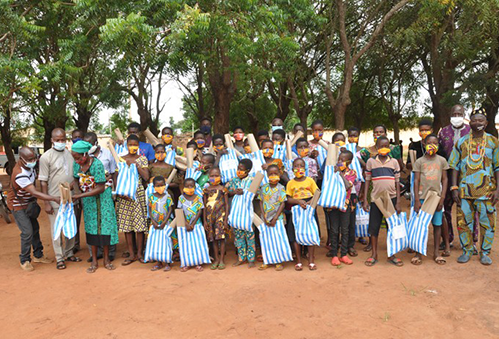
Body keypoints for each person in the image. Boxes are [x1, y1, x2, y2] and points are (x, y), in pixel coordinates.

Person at [449, 108, 499, 265]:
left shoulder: (493, 141)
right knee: (463, 223)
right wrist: (454, 188)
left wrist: (498, 189)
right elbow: (454, 167)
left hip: (487, 193)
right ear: (469, 123)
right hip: (464, 192)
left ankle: (485, 252)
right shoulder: (461, 142)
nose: (477, 123)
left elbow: (497, 167)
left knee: (488, 224)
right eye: (474, 120)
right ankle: (467, 250)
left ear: (486, 123)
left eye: (481, 120)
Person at [71, 141, 119, 273]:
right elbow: (75, 179)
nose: (77, 161)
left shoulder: (97, 164)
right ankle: (94, 260)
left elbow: (100, 188)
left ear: (86, 154)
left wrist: (80, 196)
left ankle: (106, 260)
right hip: (88, 199)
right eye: (75, 158)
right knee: (91, 227)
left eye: (79, 158)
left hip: (103, 198)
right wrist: (77, 193)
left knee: (104, 228)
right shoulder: (76, 164)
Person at [8, 147, 59, 271]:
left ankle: (38, 255)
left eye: (34, 158)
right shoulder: (19, 173)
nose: (33, 161)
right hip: (17, 205)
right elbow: (35, 192)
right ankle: (24, 259)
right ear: (21, 159)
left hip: (29, 204)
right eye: (30, 159)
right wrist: (52, 198)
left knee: (35, 229)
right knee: (27, 232)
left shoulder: (30, 167)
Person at [39, 128, 81, 270]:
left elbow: (74, 175)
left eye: (63, 139)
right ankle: (59, 257)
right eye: (58, 140)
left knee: (70, 226)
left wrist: (74, 189)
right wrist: (46, 202)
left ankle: (69, 253)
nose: (61, 142)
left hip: (69, 198)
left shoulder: (69, 154)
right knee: (57, 229)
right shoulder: (46, 157)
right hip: (55, 199)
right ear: (52, 140)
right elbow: (43, 182)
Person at [363, 136, 403, 267]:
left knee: (391, 227)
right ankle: (374, 254)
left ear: (390, 147)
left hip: (391, 199)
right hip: (376, 199)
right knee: (374, 227)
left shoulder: (394, 163)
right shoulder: (371, 162)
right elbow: (367, 181)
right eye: (381, 146)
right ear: (377, 147)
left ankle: (391, 254)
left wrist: (398, 201)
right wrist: (365, 200)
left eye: (386, 146)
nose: (383, 148)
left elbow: (397, 182)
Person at [412, 134, 450, 265]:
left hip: (436, 198)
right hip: (422, 197)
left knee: (437, 224)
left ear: (438, 145)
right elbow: (416, 181)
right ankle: (418, 253)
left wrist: (442, 198)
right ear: (424, 144)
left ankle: (436, 253)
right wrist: (416, 199)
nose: (431, 145)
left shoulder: (442, 160)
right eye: (429, 142)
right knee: (421, 225)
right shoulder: (419, 162)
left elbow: (445, 179)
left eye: (435, 143)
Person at [438, 104, 472, 247]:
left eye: (460, 114)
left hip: (467, 176)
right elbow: (439, 154)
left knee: (467, 209)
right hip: (446, 175)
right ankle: (447, 239)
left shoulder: (471, 131)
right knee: (445, 208)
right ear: (450, 115)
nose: (457, 117)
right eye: (454, 114)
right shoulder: (443, 132)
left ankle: (470, 242)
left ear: (464, 115)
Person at [84, 132, 118, 262]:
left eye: (90, 144)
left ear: (96, 143)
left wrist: (115, 190)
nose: (88, 147)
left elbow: (114, 173)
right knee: (94, 221)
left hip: (106, 191)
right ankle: (96, 252)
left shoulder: (107, 154)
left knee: (107, 221)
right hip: (90, 192)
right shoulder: (85, 156)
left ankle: (110, 252)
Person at [117, 134, 150, 265]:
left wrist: (137, 165)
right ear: (126, 145)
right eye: (130, 145)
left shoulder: (142, 159)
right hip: (124, 195)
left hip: (138, 194)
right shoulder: (120, 159)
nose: (133, 147)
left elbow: (146, 177)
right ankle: (131, 254)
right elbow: (116, 177)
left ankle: (140, 253)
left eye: (135, 145)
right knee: (127, 226)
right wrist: (119, 193)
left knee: (139, 225)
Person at [286, 158, 319, 271]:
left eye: (301, 166)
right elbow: (288, 199)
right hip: (296, 209)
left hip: (309, 208)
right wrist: (298, 202)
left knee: (310, 234)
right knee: (295, 235)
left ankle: (311, 261)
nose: (298, 168)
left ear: (305, 168)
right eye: (296, 166)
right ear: (292, 169)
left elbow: (317, 194)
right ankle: (299, 261)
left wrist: (309, 203)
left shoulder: (310, 181)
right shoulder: (290, 183)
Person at [327, 151, 357, 266]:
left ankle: (343, 254)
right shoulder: (332, 171)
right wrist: (334, 172)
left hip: (346, 204)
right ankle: (334, 254)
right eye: (339, 159)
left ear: (349, 162)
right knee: (334, 230)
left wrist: (339, 173)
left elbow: (348, 185)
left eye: (342, 160)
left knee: (345, 229)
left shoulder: (352, 173)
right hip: (333, 204)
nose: (340, 162)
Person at [226, 159, 255, 268]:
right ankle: (241, 258)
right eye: (238, 168)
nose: (239, 171)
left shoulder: (252, 180)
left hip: (247, 212)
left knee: (250, 236)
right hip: (236, 212)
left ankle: (251, 259)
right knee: (238, 236)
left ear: (247, 170)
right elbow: (226, 192)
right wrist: (234, 192)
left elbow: (256, 194)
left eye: (241, 169)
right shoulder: (233, 180)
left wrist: (246, 193)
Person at [258, 164, 287, 271]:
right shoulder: (263, 187)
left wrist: (275, 218)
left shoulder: (281, 188)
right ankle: (267, 260)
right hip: (265, 218)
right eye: (271, 174)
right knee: (266, 240)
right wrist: (264, 216)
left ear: (279, 174)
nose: (273, 175)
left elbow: (282, 204)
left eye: (275, 173)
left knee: (278, 239)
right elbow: (261, 202)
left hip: (277, 219)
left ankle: (278, 261)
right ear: (267, 175)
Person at [203, 167, 229, 270]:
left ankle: (222, 259)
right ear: (208, 177)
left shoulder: (223, 189)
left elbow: (227, 205)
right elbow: (204, 206)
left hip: (220, 217)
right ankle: (216, 259)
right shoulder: (206, 190)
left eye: (216, 176)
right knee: (213, 239)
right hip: (210, 218)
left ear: (220, 177)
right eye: (212, 176)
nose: (214, 178)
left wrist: (226, 219)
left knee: (221, 238)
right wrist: (205, 220)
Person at [178, 178, 205, 272]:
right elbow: (180, 211)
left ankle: (198, 263)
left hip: (196, 225)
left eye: (191, 186)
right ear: (183, 187)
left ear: (195, 187)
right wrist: (186, 223)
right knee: (186, 245)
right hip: (185, 226)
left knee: (197, 244)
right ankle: (187, 263)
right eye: (187, 186)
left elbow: (200, 211)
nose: (189, 188)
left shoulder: (198, 197)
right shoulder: (181, 198)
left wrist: (193, 224)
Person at [148, 175, 174, 272]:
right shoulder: (151, 196)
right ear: (154, 186)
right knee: (156, 243)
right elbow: (150, 209)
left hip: (166, 223)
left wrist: (164, 221)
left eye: (162, 185)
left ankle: (167, 262)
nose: (160, 187)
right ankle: (158, 262)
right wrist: (153, 221)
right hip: (155, 224)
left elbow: (170, 209)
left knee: (166, 242)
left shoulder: (167, 196)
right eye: (158, 185)